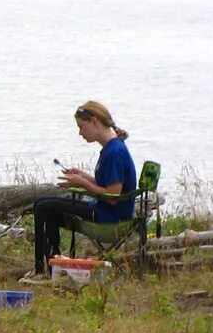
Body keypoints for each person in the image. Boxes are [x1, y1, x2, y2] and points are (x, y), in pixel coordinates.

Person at [31, 100, 136, 277]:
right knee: (43, 204)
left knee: (43, 207)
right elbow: (108, 185)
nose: (80, 133)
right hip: (106, 210)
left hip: (110, 217)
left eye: (81, 127)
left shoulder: (114, 152)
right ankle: (51, 265)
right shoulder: (111, 148)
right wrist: (84, 176)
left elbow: (112, 196)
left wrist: (82, 183)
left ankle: (46, 268)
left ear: (94, 121)